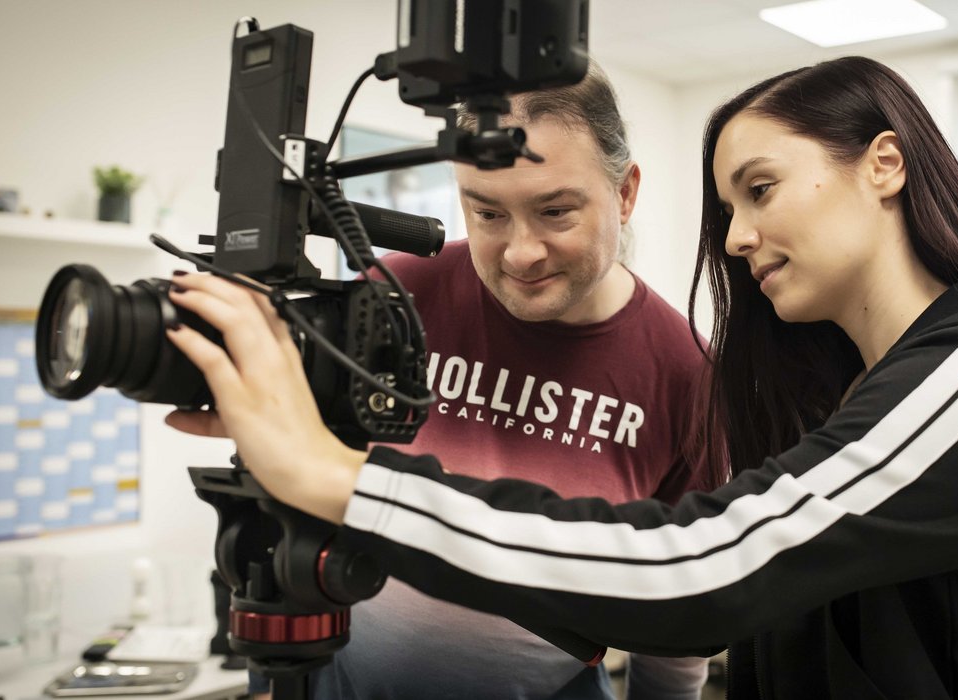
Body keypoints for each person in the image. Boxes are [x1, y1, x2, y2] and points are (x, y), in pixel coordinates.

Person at [166, 56, 958, 699]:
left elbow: (699, 570)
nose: (738, 237)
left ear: (884, 165)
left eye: (761, 189)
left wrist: (341, 481)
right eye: (729, 207)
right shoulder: (852, 384)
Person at [250, 62, 720, 699]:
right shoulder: (394, 299)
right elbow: (292, 492)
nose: (521, 252)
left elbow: (679, 609)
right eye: (488, 213)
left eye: (555, 211)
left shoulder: (687, 372)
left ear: (624, 192)